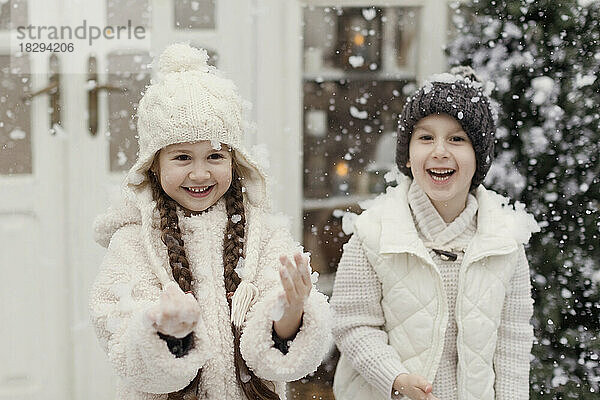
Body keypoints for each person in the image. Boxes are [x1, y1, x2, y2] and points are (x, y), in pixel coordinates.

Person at [89, 43, 332, 400]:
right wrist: (167, 332)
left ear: (235, 160)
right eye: (182, 157)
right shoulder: (133, 243)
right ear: (154, 164)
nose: (200, 173)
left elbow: (278, 360)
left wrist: (291, 314)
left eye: (215, 155)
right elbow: (122, 343)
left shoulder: (263, 235)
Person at [331, 66, 539, 400]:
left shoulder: (505, 241)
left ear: (479, 157)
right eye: (426, 137)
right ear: (408, 155)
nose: (439, 150)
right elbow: (353, 325)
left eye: (457, 139)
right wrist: (394, 377)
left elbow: (512, 338)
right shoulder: (374, 234)